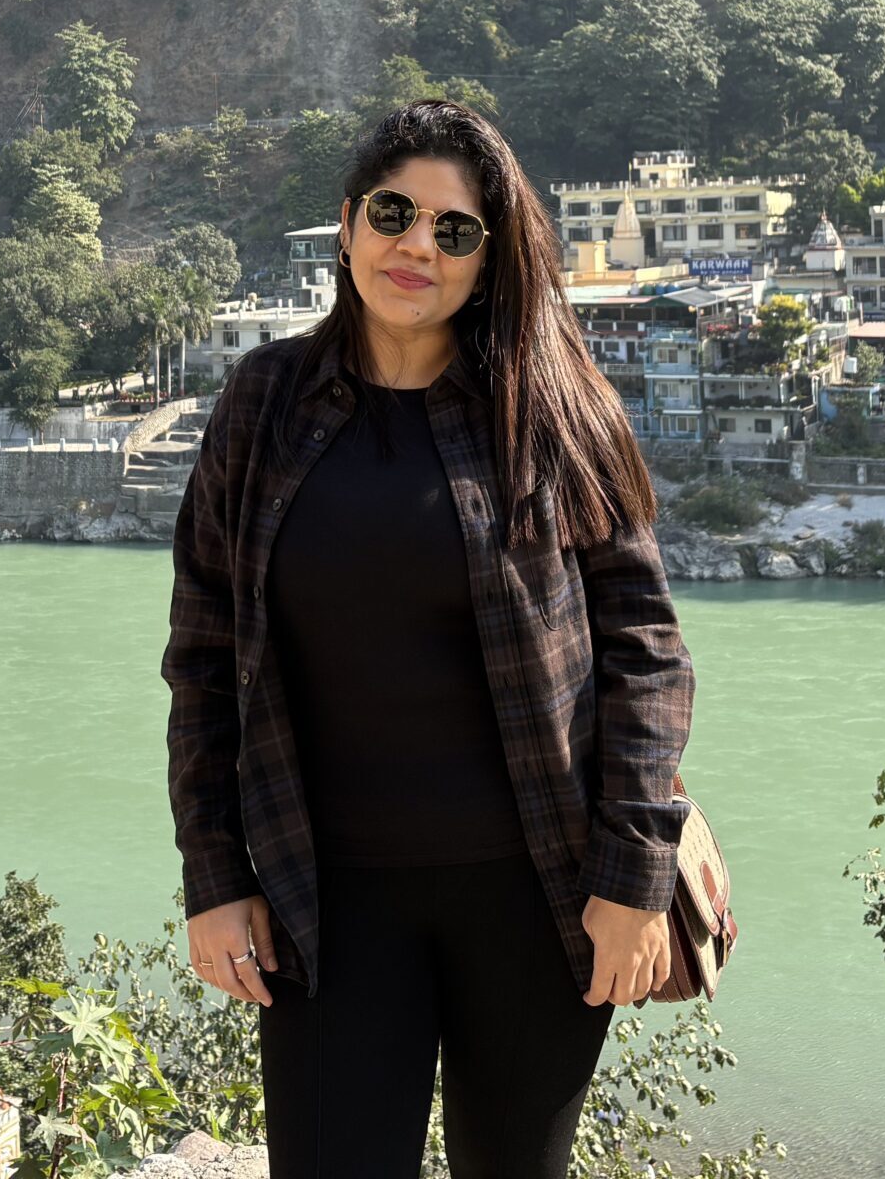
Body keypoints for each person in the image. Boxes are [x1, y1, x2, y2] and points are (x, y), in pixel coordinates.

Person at [161, 99, 695, 1178]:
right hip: (327, 900)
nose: (418, 245)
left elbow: (642, 649)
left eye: (455, 231)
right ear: (348, 222)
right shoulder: (263, 402)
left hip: (538, 897)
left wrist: (633, 876)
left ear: (491, 260)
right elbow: (205, 654)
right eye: (395, 214)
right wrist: (213, 876)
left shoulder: (550, 406)